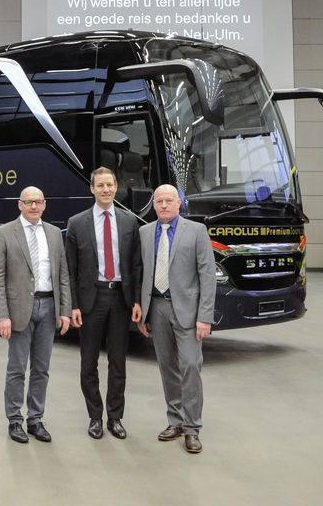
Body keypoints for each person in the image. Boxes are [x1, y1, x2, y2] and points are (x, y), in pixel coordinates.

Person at [135, 184, 216, 454]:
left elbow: (207, 275)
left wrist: (205, 316)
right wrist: (143, 311)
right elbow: (143, 274)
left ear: (179, 203)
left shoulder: (196, 231)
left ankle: (193, 429)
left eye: (170, 201)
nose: (164, 206)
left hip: (188, 312)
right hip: (156, 308)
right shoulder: (145, 233)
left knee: (191, 366)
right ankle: (176, 421)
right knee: (167, 367)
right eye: (159, 201)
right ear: (154, 204)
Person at [0, 186, 72, 444]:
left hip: (48, 308)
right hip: (19, 310)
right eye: (28, 202)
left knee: (42, 369)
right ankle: (15, 420)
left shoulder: (55, 234)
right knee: (17, 368)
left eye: (38, 202)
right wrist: (1, 315)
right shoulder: (4, 233)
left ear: (44, 204)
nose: (34, 206)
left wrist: (65, 311)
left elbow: (63, 275)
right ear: (19, 205)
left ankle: (35, 419)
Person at [65, 167, 143, 440]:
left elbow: (135, 266)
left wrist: (136, 301)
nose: (106, 189)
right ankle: (95, 417)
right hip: (91, 299)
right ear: (92, 189)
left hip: (121, 299)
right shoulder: (77, 223)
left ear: (116, 186)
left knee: (118, 363)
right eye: (100, 185)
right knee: (88, 363)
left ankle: (115, 417)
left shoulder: (129, 221)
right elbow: (70, 270)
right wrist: (73, 305)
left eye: (110, 184)